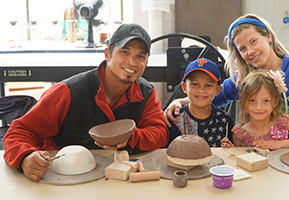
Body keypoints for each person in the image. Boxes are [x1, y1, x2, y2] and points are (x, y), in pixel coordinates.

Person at [4, 23, 169, 181]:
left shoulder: (145, 92)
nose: (132, 62)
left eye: (140, 56)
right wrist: (25, 157)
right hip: (62, 176)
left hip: (115, 178)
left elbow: (160, 133)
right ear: (107, 54)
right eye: (124, 52)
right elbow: (19, 132)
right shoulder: (68, 92)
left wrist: (131, 137)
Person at [164, 14, 289, 145]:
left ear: (268, 37)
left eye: (253, 41)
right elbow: (212, 97)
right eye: (242, 48)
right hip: (266, 155)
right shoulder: (243, 80)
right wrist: (181, 101)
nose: (250, 51)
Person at [232, 70, 289, 149]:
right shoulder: (240, 135)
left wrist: (280, 144)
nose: (258, 107)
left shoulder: (282, 122)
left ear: (275, 102)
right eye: (252, 101)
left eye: (266, 101)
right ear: (243, 102)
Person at [167, 58, 234, 148]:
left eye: (208, 85)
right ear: (184, 87)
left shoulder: (225, 121)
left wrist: (230, 148)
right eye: (195, 84)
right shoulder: (174, 119)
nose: (201, 90)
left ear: (218, 90)